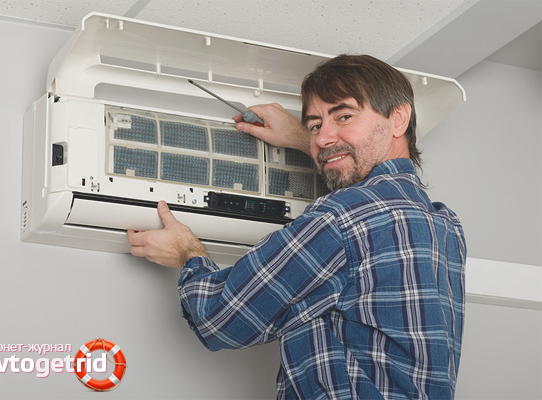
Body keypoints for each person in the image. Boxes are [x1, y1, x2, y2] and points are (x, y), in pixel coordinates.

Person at [127, 54, 467, 399]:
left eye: (344, 116)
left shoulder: (341, 218)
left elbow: (220, 318)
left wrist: (187, 253)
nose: (322, 138)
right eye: (315, 125)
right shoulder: (445, 226)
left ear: (399, 118)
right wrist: (305, 139)